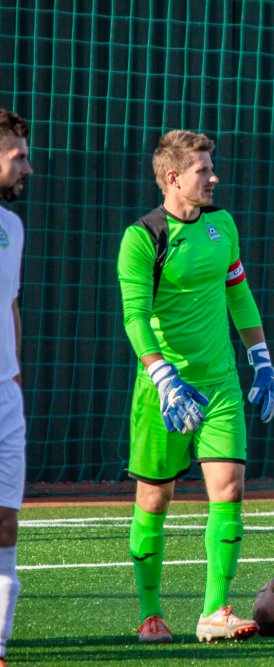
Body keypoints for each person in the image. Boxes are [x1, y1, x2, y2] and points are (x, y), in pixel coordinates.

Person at [117, 130, 274, 644]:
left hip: (221, 384)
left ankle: (214, 611)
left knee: (230, 490)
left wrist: (261, 360)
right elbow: (135, 317)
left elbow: (239, 294)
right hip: (162, 391)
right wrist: (164, 378)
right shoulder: (142, 237)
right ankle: (150, 615)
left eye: (211, 167)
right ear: (173, 178)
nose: (214, 177)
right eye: (202, 170)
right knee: (154, 498)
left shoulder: (222, 225)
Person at [0, 109, 32, 667]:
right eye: (18, 157)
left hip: (5, 395)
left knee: (6, 523)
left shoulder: (14, 227)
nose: (28, 167)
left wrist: (16, 377)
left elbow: (11, 305)